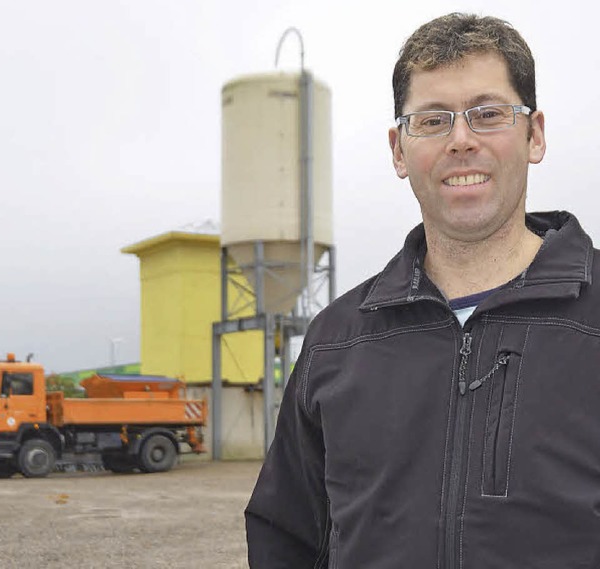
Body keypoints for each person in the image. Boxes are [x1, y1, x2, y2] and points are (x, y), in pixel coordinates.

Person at [245, 12, 600, 569]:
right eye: (432, 120)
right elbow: (285, 535)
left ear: (534, 135)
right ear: (398, 150)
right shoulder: (336, 342)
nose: (462, 140)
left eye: (488, 114)